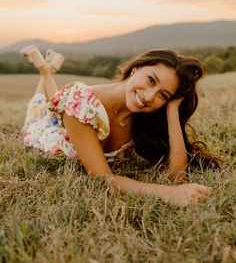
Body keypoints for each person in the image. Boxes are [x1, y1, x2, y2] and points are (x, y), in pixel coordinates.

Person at [20, 45, 217, 208]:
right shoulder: (80, 102)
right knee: (37, 110)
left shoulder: (145, 117)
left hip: (70, 117)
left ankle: (46, 70)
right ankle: (45, 71)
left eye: (163, 95)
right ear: (136, 68)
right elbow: (103, 179)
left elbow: (177, 176)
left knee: (47, 104)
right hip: (49, 135)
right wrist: (168, 193)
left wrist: (172, 109)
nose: (149, 96)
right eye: (151, 80)